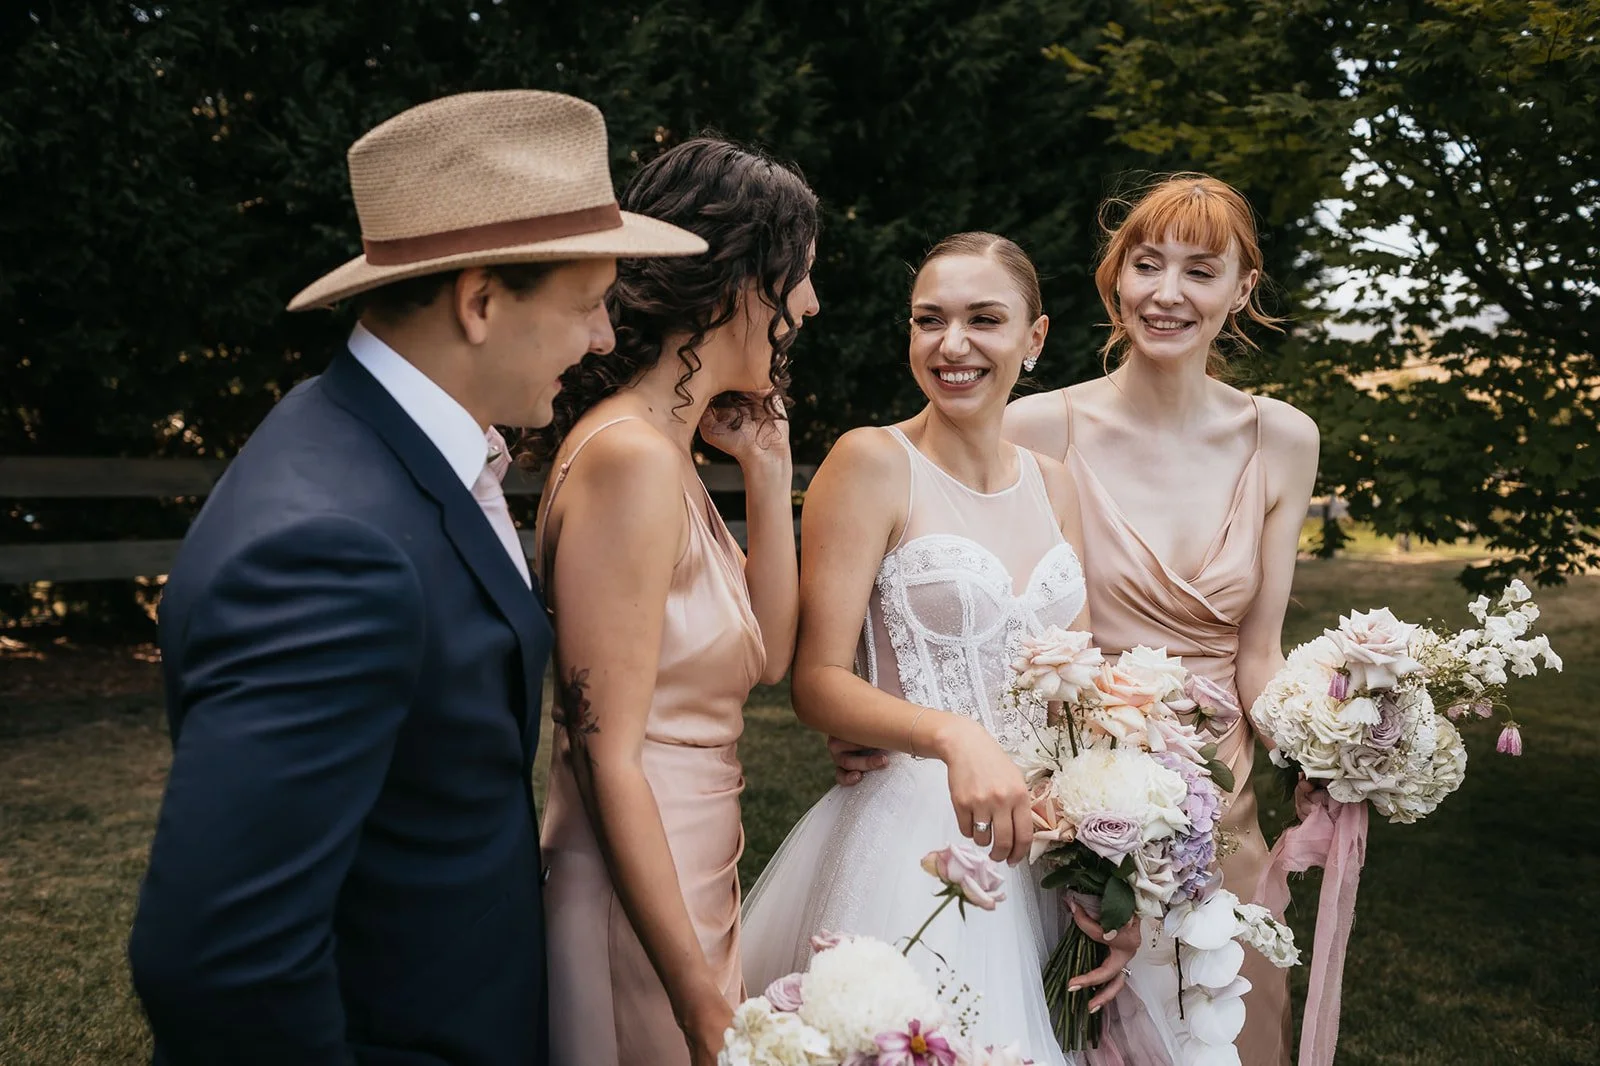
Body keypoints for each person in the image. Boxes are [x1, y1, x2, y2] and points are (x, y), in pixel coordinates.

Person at [127, 91, 704, 1066]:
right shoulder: (331, 551)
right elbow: (219, 961)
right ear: (479, 300)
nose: (604, 338)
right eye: (586, 300)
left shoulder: (378, 440)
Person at [742, 233, 1174, 1063]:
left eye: (984, 320)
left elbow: (1075, 689)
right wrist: (950, 735)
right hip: (914, 839)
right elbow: (817, 679)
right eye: (929, 320)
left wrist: (1108, 836)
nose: (953, 345)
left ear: (1034, 338)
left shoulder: (1054, 481)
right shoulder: (872, 462)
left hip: (1048, 835)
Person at [1005, 174, 1320, 1065]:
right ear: (1116, 280)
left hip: (1224, 806)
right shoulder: (1039, 426)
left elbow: (1259, 650)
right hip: (1081, 801)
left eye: (1199, 270)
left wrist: (1332, 748)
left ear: (1241, 290)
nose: (1167, 293)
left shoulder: (1283, 440)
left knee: (1227, 1028)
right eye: (1146, 265)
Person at [530, 137, 817, 1066]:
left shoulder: (673, 457)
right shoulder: (629, 461)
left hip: (697, 853)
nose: (809, 305)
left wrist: (768, 470)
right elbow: (606, 754)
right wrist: (695, 995)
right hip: (634, 881)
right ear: (741, 283)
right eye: (799, 278)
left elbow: (766, 659)